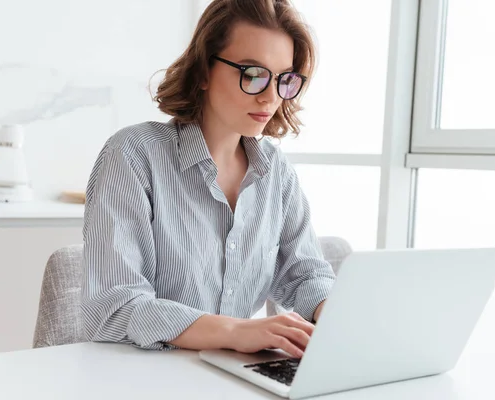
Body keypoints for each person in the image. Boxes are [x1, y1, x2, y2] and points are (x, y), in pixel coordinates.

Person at [81, 0, 336, 359]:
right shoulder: (133, 155)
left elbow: (305, 275)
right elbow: (114, 307)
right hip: (140, 381)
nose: (271, 96)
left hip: (229, 377)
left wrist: (338, 320)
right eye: (252, 74)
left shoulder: (276, 173)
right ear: (203, 70)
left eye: (284, 79)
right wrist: (234, 331)